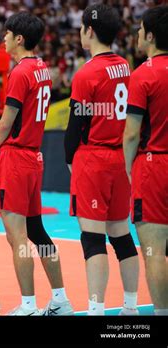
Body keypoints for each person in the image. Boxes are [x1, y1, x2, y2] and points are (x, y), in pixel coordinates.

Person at [0, 12, 73, 316]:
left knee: (17, 237)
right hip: (34, 157)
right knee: (37, 231)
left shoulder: (21, 72)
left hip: (15, 158)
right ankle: (61, 298)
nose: (4, 39)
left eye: (7, 34)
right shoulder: (43, 69)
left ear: (19, 39)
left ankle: (27, 304)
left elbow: (6, 120)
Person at [64, 3, 139, 315]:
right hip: (122, 159)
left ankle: (96, 310)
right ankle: (132, 308)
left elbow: (74, 126)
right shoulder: (125, 66)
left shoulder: (87, 73)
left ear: (89, 30)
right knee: (121, 236)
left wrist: (71, 162)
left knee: (92, 239)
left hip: (94, 159)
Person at [123, 5, 168, 316]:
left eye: (140, 30)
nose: (137, 35)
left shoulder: (143, 74)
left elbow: (130, 134)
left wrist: (127, 171)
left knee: (154, 253)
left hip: (154, 167)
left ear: (150, 35)